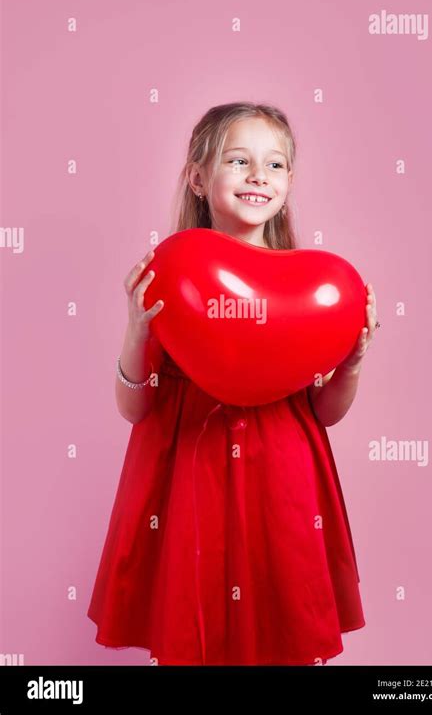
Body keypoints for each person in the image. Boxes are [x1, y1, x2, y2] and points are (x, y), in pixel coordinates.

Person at [87, 102, 379, 666]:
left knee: (282, 621)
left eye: (274, 166)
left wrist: (353, 361)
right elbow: (133, 405)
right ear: (197, 176)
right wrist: (135, 331)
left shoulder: (316, 287)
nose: (257, 177)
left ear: (289, 183)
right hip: (192, 474)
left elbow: (325, 414)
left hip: (282, 475)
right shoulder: (170, 273)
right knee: (195, 622)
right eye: (238, 160)